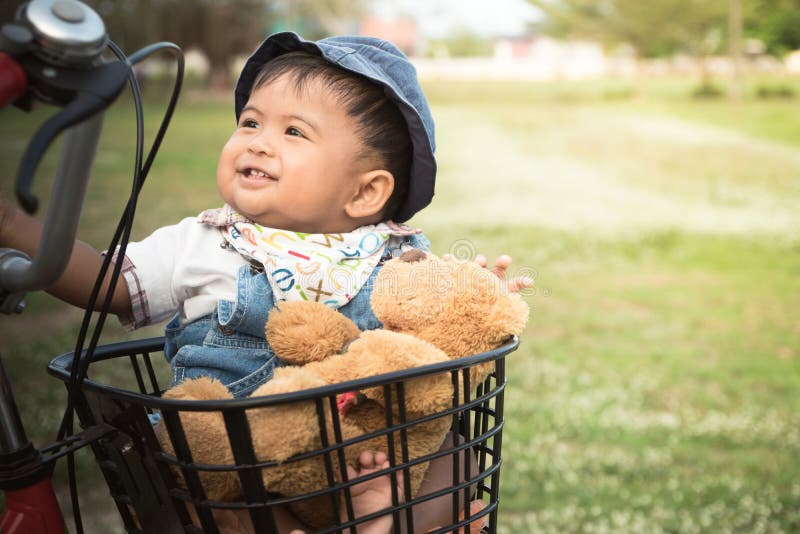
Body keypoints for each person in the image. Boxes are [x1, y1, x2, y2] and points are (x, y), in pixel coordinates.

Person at [0, 32, 529, 532]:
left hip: (363, 450)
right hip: (245, 455)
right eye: (250, 122)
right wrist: (16, 229)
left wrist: (473, 298)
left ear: (366, 193)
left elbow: (434, 334)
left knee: (455, 461)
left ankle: (381, 520)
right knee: (207, 492)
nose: (258, 143)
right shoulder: (203, 243)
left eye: (293, 131)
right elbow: (107, 282)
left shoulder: (396, 255)